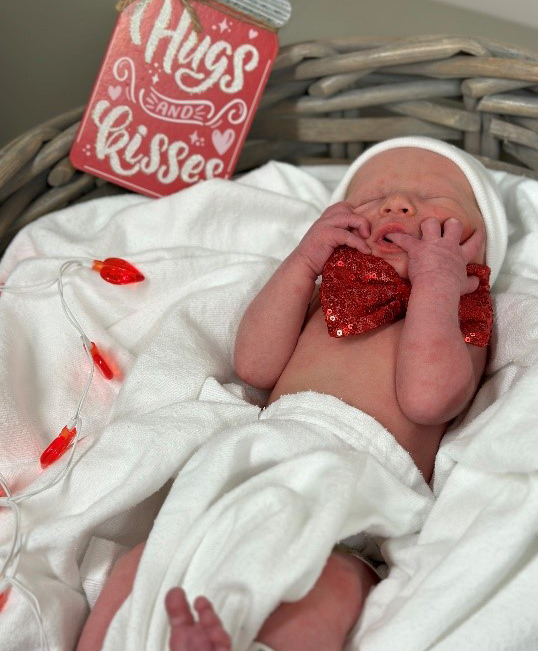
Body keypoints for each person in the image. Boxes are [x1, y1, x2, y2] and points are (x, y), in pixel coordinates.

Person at [76, 137, 507, 651]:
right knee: (142, 567)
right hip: (263, 460)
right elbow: (255, 365)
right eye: (371, 198)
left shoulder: (462, 307)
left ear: (480, 245)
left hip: (362, 493)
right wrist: (303, 265)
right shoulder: (328, 289)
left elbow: (428, 399)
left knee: (335, 589)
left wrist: (437, 285)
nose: (397, 204)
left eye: (435, 198)